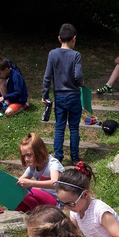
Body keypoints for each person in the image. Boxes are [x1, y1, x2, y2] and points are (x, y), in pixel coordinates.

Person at [42, 23, 83, 165]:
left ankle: (58, 156)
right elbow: (78, 76)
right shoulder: (76, 55)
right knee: (74, 127)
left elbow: (47, 77)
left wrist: (45, 95)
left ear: (59, 38)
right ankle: (75, 157)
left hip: (59, 96)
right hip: (74, 96)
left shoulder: (52, 54)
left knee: (59, 127)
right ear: (74, 38)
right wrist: (81, 84)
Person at [15, 132, 64, 212]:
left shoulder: (53, 164)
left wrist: (31, 183)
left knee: (26, 192)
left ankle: (36, 214)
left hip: (56, 200)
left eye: (29, 155)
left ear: (40, 153)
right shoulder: (33, 166)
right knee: (16, 201)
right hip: (42, 197)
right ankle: (35, 210)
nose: (26, 159)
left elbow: (55, 183)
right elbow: (17, 183)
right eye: (24, 156)